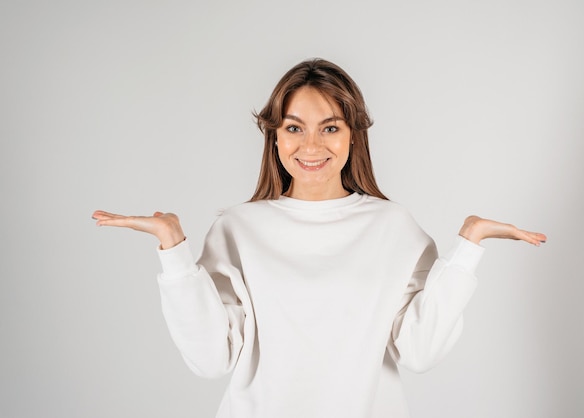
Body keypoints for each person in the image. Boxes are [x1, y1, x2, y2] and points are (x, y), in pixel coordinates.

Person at [92, 58, 546, 418]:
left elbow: (420, 351)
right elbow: (211, 359)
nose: (311, 146)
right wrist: (174, 250)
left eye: (329, 127)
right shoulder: (238, 228)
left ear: (353, 136)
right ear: (274, 137)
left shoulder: (393, 227)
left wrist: (467, 247)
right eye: (294, 128)